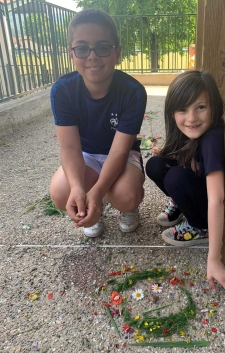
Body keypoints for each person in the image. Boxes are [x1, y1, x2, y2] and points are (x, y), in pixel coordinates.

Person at [49, 9, 147, 237]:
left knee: (126, 195)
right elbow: (70, 147)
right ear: (71, 54)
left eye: (103, 47)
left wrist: (98, 191)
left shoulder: (133, 92)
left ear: (117, 53)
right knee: (60, 192)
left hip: (122, 156)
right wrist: (78, 189)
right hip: (86, 154)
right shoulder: (62, 91)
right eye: (82, 48)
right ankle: (91, 206)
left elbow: (120, 150)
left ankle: (126, 207)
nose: (92, 56)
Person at [146, 70, 225, 298]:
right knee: (156, 165)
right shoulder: (191, 133)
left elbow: (217, 198)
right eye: (183, 109)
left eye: (201, 107)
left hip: (211, 209)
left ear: (214, 105)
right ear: (172, 113)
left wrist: (214, 258)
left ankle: (199, 226)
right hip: (199, 190)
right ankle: (182, 203)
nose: (192, 118)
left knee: (175, 177)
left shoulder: (212, 140)